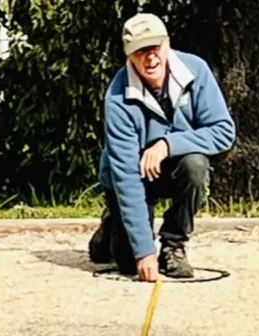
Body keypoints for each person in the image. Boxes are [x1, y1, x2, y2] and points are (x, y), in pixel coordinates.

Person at [90, 13, 236, 281]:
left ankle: (174, 244)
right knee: (129, 263)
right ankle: (111, 225)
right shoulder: (117, 97)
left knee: (195, 164)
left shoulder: (196, 70)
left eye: (155, 47)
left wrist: (167, 145)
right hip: (131, 175)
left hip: (172, 167)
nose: (150, 58)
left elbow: (224, 132)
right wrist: (144, 252)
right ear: (128, 55)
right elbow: (126, 175)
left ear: (167, 44)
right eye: (140, 51)